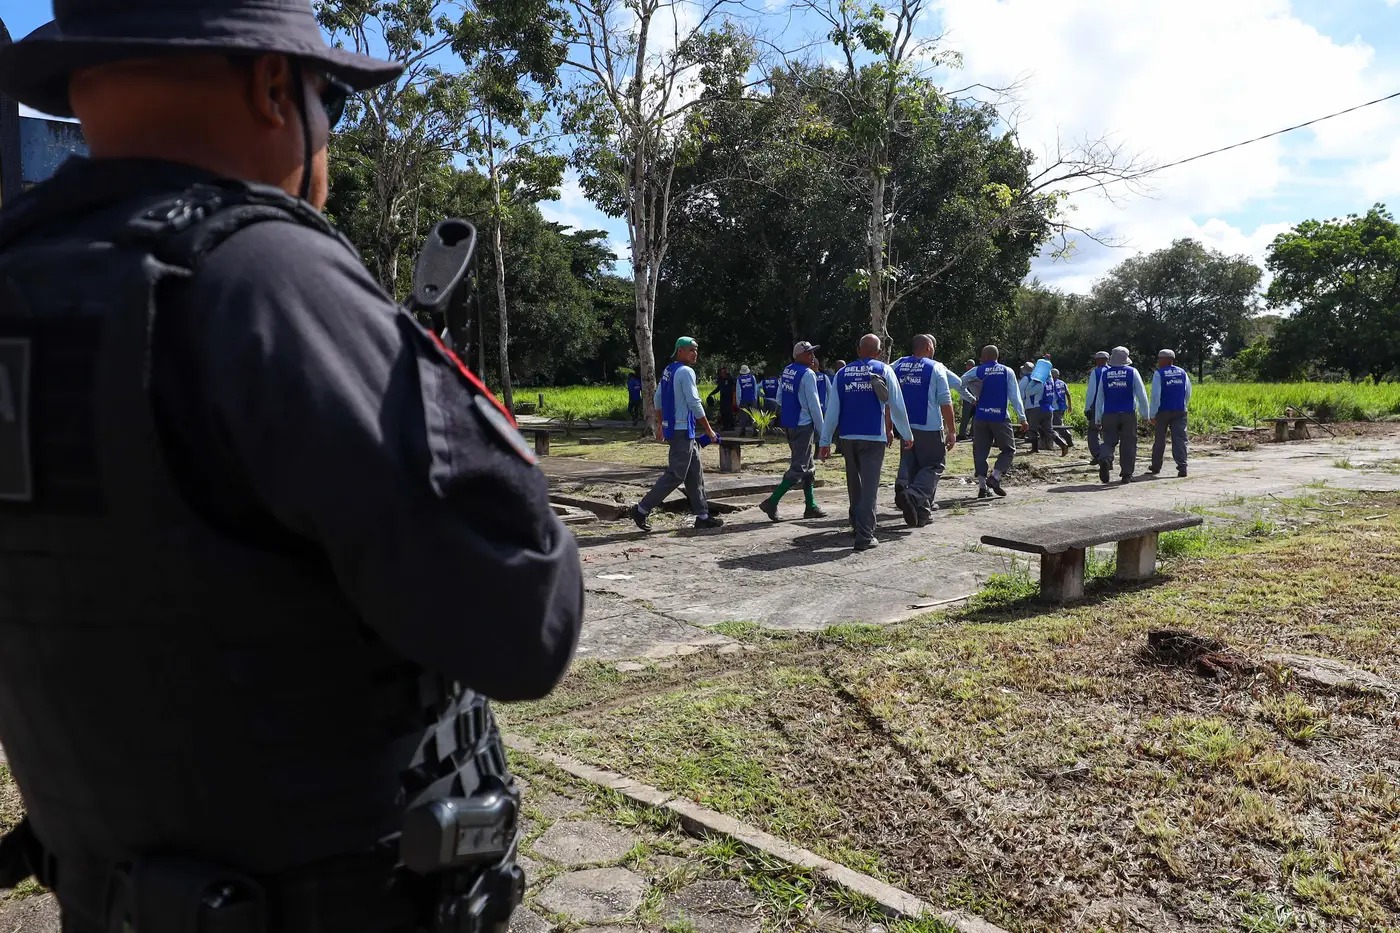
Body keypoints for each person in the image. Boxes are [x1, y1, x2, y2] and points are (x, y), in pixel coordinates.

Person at [0, 3, 584, 930]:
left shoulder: (25, 271)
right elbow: (527, 620)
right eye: (331, 99)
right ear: (276, 86)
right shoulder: (267, 279)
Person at [819, 335, 912, 551]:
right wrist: (906, 434)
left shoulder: (842, 373)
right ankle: (865, 535)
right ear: (879, 353)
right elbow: (896, 405)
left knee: (855, 484)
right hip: (873, 436)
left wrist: (825, 441)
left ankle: (855, 522)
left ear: (858, 350)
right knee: (870, 487)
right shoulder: (884, 370)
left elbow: (832, 411)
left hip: (848, 437)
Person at [629, 337, 724, 531]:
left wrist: (660, 424)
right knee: (676, 474)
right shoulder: (686, 371)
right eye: (691, 350)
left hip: (680, 430)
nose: (695, 353)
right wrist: (709, 430)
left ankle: (702, 516)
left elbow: (658, 398)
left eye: (696, 350)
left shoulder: (669, 370)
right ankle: (641, 509)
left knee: (694, 473)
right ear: (680, 351)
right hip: (682, 431)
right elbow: (694, 403)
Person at [891, 335, 957, 527]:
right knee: (935, 465)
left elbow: (883, 385)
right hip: (929, 427)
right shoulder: (935, 367)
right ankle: (914, 495)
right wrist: (952, 431)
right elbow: (945, 401)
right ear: (929, 347)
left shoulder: (898, 364)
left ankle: (922, 514)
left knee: (914, 468)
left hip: (905, 427)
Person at [758, 341, 827, 521]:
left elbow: (780, 398)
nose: (812, 356)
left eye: (812, 352)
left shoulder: (788, 370)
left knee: (808, 466)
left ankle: (810, 506)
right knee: (799, 468)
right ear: (798, 355)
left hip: (790, 424)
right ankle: (771, 502)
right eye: (808, 353)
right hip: (804, 425)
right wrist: (824, 433)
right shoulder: (808, 374)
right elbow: (814, 406)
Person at [962, 345, 1027, 498]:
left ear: (984, 357)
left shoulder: (976, 370)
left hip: (981, 416)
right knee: (1009, 449)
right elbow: (1014, 396)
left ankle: (983, 488)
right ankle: (995, 476)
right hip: (1000, 417)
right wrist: (1022, 417)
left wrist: (971, 399)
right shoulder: (1007, 371)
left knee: (980, 452)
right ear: (997, 357)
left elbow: (960, 383)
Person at [1094, 346, 1151, 484]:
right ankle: (1126, 474)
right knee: (1129, 443)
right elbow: (1141, 395)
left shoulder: (1105, 374)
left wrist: (1097, 417)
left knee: (1108, 441)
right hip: (1128, 414)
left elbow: (1100, 397)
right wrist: (1145, 414)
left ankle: (1105, 459)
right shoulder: (1132, 372)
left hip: (1109, 413)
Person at [1149, 349, 1192, 477]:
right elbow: (1188, 392)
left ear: (1166, 360)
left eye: (1160, 359)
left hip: (1163, 411)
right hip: (1180, 410)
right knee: (1180, 439)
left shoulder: (1159, 374)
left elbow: (1156, 396)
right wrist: (1183, 404)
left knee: (1159, 440)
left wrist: (1152, 414)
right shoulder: (1182, 372)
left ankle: (1156, 467)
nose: (1158, 361)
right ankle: (1182, 466)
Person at [1082, 350, 1110, 464]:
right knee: (1109, 432)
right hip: (1110, 406)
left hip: (1096, 406)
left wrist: (1087, 408)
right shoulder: (1112, 371)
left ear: (1098, 360)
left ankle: (1098, 454)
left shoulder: (1096, 372)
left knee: (1093, 430)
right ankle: (1108, 456)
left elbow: (1091, 391)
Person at [1021, 362, 1051, 452]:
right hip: (1043, 406)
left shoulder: (1026, 378)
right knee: (1044, 428)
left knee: (1032, 428)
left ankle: (1035, 448)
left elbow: (1021, 391)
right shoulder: (1044, 379)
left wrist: (1022, 402)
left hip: (1030, 406)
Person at [1049, 368, 1074, 454]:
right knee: (1056, 425)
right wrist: (1070, 406)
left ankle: (1068, 440)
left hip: (1054, 408)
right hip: (1061, 407)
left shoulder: (1051, 383)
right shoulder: (1062, 383)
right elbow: (1068, 394)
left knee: (1058, 426)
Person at [706, 365, 737, 432]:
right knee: (723, 412)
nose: (722, 374)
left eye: (724, 372)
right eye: (721, 372)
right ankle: (725, 426)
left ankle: (731, 426)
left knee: (729, 412)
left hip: (729, 398)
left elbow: (734, 388)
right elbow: (718, 388)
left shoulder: (730, 379)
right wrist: (711, 393)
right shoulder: (721, 380)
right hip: (723, 398)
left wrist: (734, 397)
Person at [957, 359, 979, 440]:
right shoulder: (971, 374)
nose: (967, 367)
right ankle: (964, 434)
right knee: (966, 417)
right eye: (967, 365)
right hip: (969, 399)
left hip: (972, 398)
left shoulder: (969, 375)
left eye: (969, 365)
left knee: (973, 417)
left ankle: (970, 434)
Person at [736, 364, 759, 436]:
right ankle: (755, 430)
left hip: (743, 400)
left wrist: (738, 402)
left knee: (743, 416)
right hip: (752, 399)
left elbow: (738, 392)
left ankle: (743, 431)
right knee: (754, 416)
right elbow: (755, 389)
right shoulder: (752, 377)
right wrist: (755, 398)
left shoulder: (739, 379)